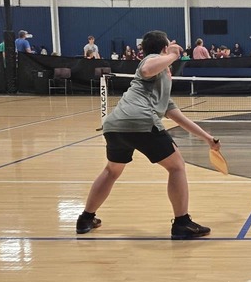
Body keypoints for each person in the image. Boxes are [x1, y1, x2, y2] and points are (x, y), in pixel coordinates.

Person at [76, 30, 219, 240]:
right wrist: (173, 55)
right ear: (164, 49)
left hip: (115, 125)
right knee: (176, 167)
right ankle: (182, 223)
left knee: (111, 170)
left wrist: (207, 138)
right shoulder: (151, 60)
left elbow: (176, 116)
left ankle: (85, 218)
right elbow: (146, 68)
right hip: (141, 121)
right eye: (168, 46)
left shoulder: (161, 84)